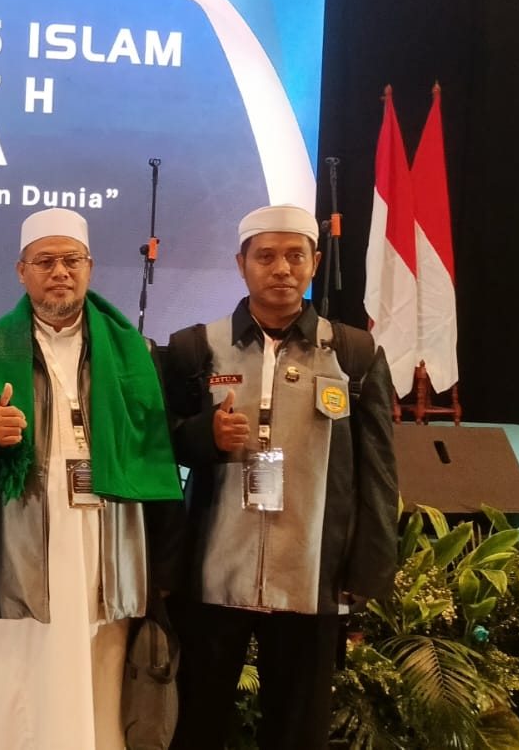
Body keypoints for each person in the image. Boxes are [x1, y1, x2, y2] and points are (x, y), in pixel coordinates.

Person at [163, 204, 398, 750]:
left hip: (311, 574)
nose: (282, 269)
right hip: (212, 571)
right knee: (196, 722)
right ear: (241, 264)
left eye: (295, 256)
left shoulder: (354, 353)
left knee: (298, 729)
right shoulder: (195, 348)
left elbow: (379, 470)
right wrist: (204, 436)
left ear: (314, 263)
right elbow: (160, 446)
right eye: (265, 256)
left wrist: (367, 568)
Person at [0, 208, 185, 750]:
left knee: (99, 669)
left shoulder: (134, 353)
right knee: (15, 671)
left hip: (105, 536)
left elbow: (156, 459)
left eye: (71, 260)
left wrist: (165, 565)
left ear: (89, 267)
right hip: (18, 541)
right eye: (45, 262)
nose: (59, 272)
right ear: (22, 272)